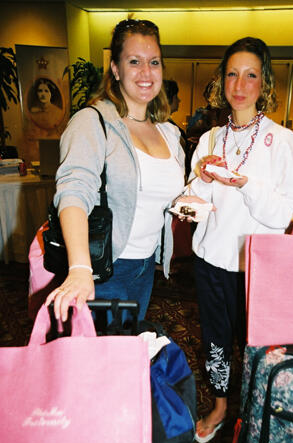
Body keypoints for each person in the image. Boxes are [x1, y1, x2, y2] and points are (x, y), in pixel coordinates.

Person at [176, 37, 293, 443]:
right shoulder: (211, 138)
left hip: (259, 266)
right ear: (222, 79)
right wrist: (199, 178)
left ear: (264, 82)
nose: (240, 83)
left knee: (255, 344)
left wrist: (245, 185)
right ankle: (219, 405)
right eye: (232, 73)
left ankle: (253, 412)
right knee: (217, 339)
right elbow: (194, 203)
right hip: (211, 258)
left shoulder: (282, 141)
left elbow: (290, 214)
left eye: (251, 74)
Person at [45, 18, 185, 323]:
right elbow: (73, 190)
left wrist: (185, 203)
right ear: (116, 69)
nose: (146, 72)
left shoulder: (168, 132)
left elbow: (156, 194)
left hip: (146, 267)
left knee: (126, 357)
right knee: (95, 364)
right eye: (134, 61)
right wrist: (80, 268)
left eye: (154, 62)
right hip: (103, 268)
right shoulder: (92, 122)